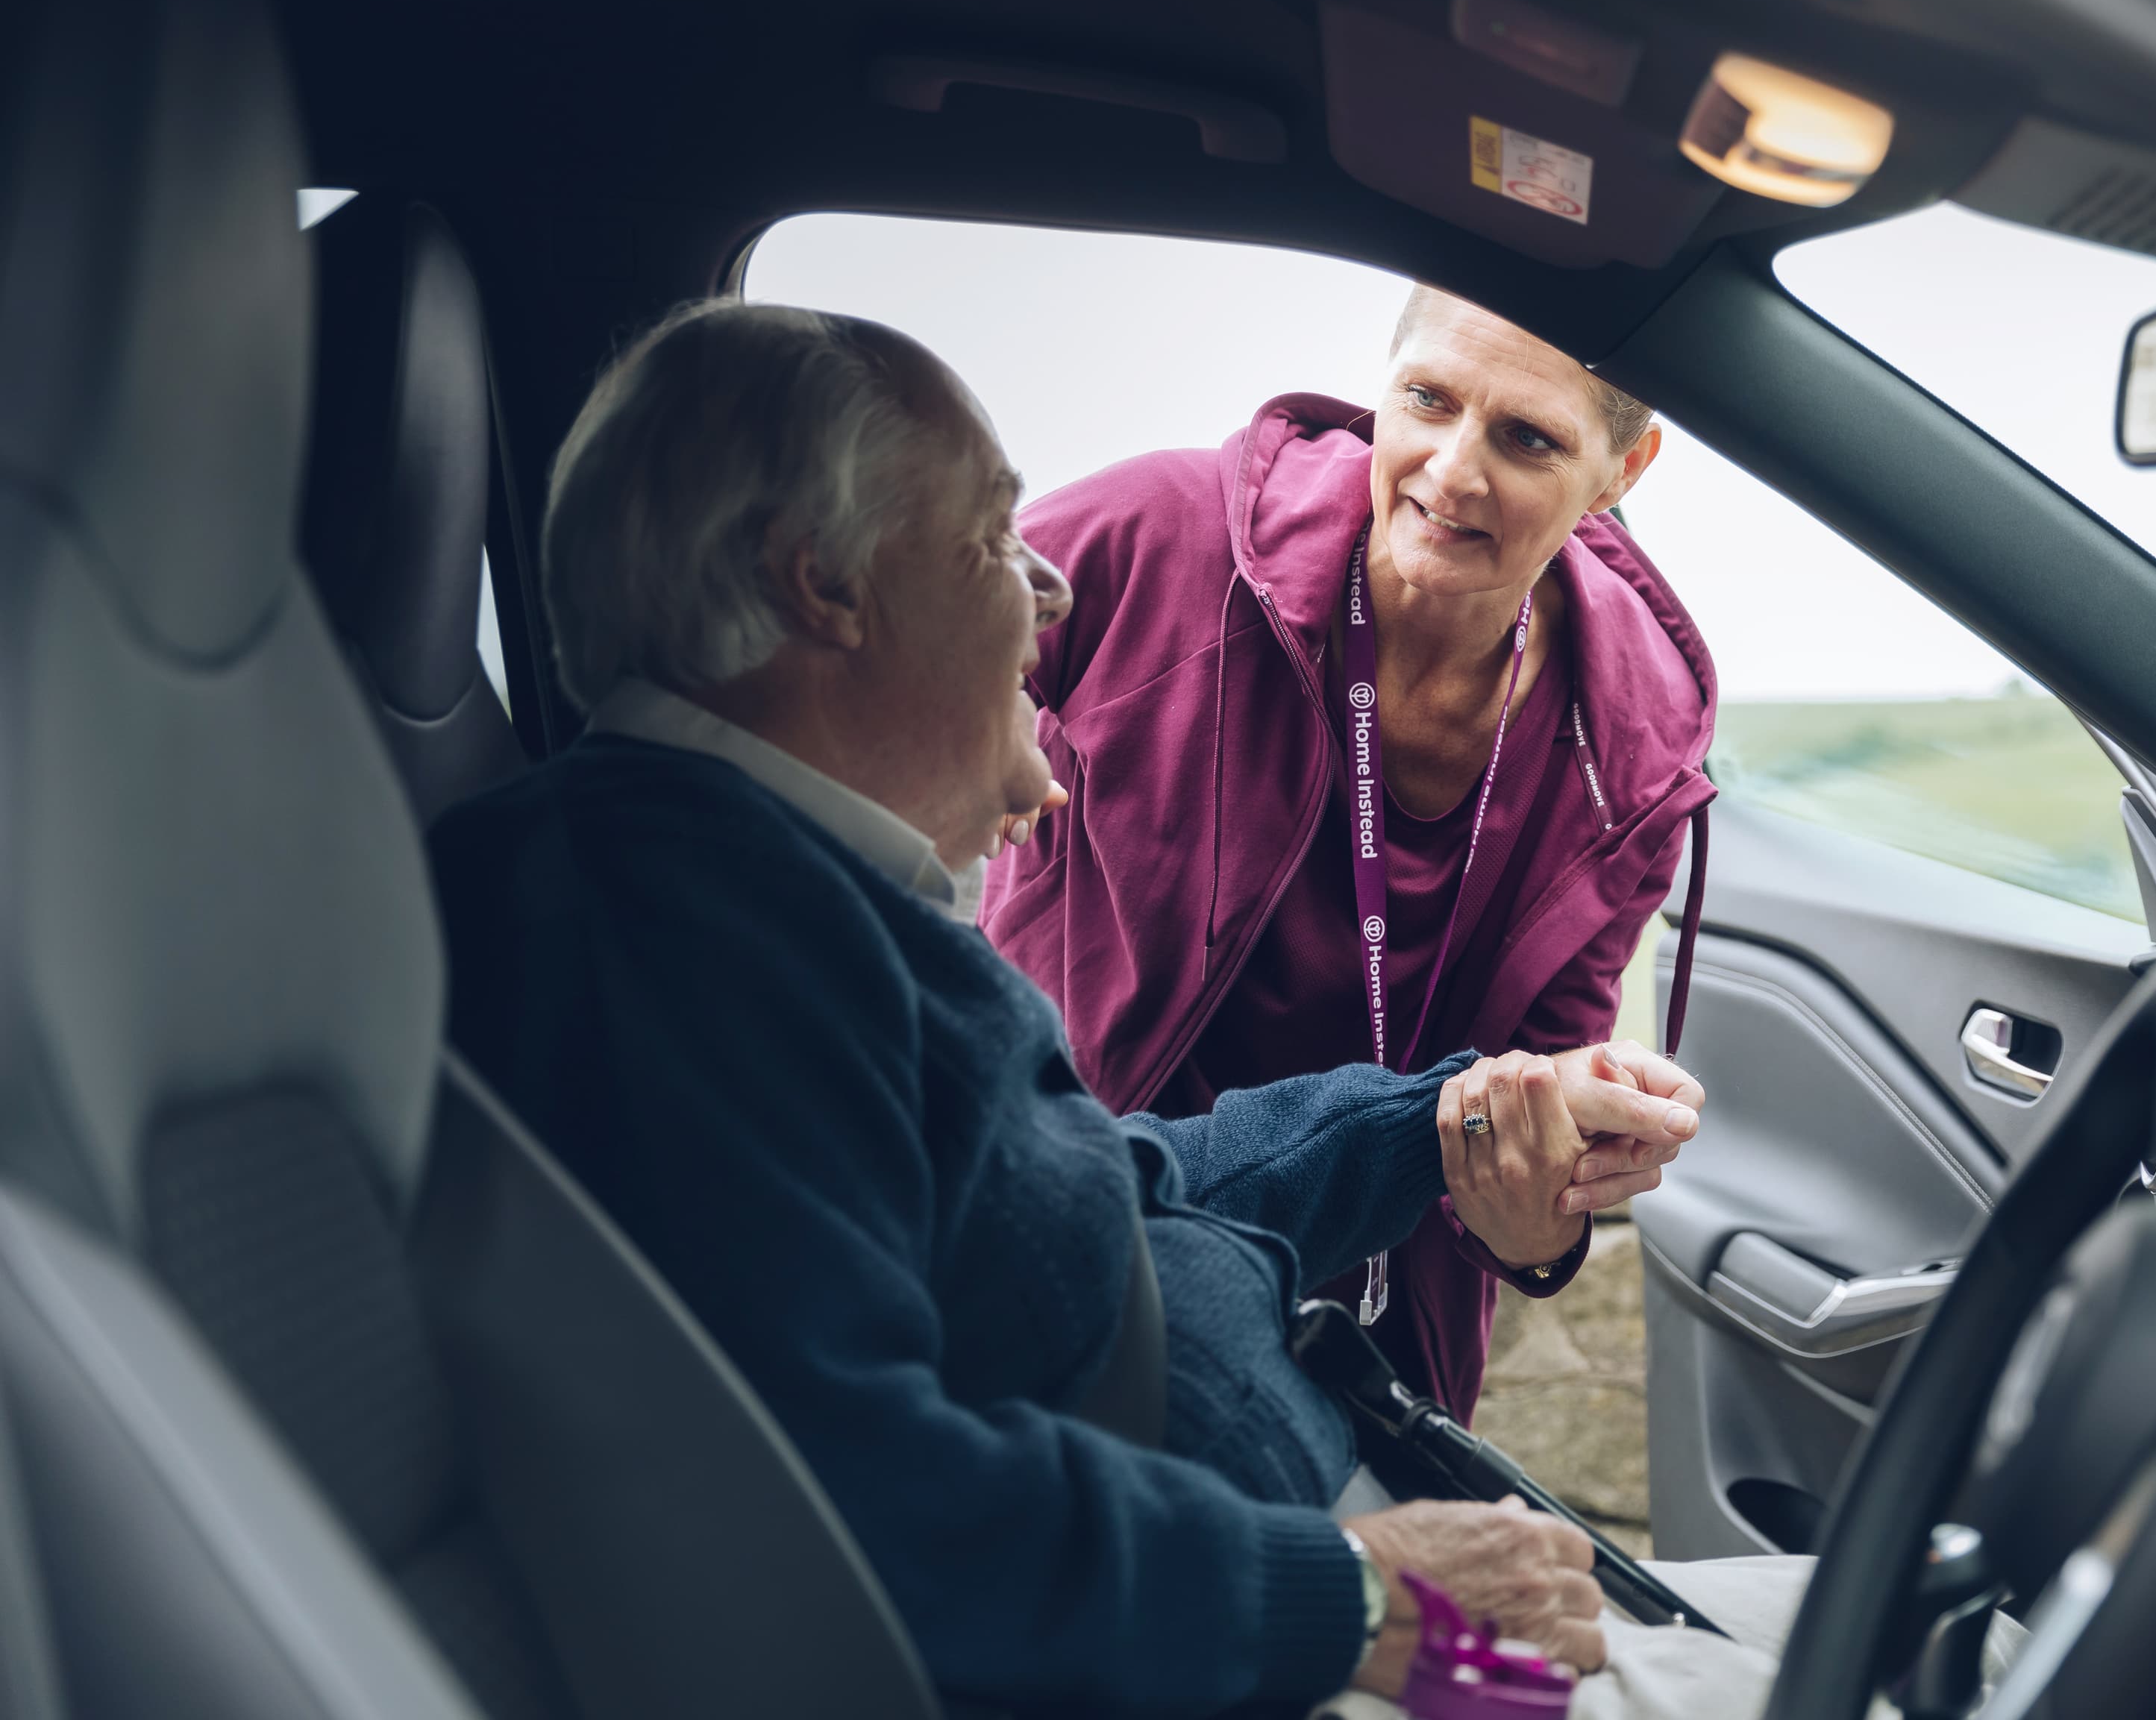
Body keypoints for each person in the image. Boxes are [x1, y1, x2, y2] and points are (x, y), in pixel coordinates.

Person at [427, 301, 1723, 1718]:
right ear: (825, 589)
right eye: (992, 538)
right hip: (1259, 1624)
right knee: (1797, 1666)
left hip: (1280, 1550)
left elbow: (1116, 1184)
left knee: (1764, 1648)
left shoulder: (800, 900)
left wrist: (1438, 1116)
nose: (1048, 592)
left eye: (1527, 437)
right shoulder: (671, 934)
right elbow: (838, 1504)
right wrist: (1352, 1597)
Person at [982, 285, 1719, 1424]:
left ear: (1624, 472)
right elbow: (881, 655)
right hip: (1085, 1232)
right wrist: (988, 754)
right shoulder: (1161, 535)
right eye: (1426, 400)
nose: (1452, 471)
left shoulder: (1632, 746)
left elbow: (1522, 1147)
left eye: (1527, 438)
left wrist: (1539, 1213)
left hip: (1357, 1352)